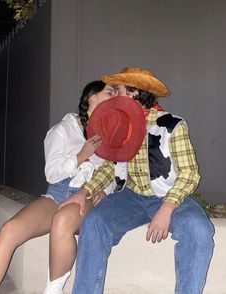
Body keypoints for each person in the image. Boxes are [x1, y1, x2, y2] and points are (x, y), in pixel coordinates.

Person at [60, 67, 215, 294]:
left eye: (119, 91)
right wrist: (85, 191)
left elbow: (190, 173)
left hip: (168, 195)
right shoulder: (121, 127)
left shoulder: (171, 125)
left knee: (200, 231)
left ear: (133, 93)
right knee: (94, 222)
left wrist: (167, 207)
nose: (114, 97)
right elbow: (110, 168)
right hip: (131, 197)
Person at [0, 80, 117, 291]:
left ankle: (52, 290)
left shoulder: (111, 133)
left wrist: (105, 190)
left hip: (87, 195)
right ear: (92, 97)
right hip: (58, 192)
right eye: (110, 92)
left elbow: (118, 172)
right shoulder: (62, 130)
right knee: (9, 230)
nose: (114, 97)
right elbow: (51, 174)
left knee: (62, 221)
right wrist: (81, 156)